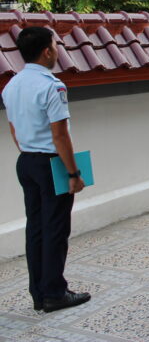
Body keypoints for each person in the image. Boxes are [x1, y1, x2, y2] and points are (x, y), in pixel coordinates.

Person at [2, 27, 91, 313]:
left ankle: (39, 294)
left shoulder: (12, 85)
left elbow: (14, 129)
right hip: (51, 162)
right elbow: (60, 135)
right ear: (47, 51)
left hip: (26, 161)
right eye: (55, 45)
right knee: (55, 229)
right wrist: (74, 173)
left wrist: (30, 151)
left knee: (36, 228)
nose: (57, 50)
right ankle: (55, 293)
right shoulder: (52, 86)